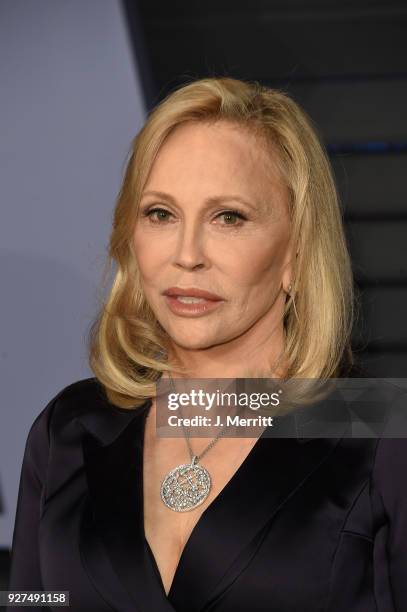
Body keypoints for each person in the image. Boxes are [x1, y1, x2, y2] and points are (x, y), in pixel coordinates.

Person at [7, 77, 407, 611]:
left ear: (296, 253)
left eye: (229, 217)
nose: (187, 254)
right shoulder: (70, 429)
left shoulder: (378, 432)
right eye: (160, 214)